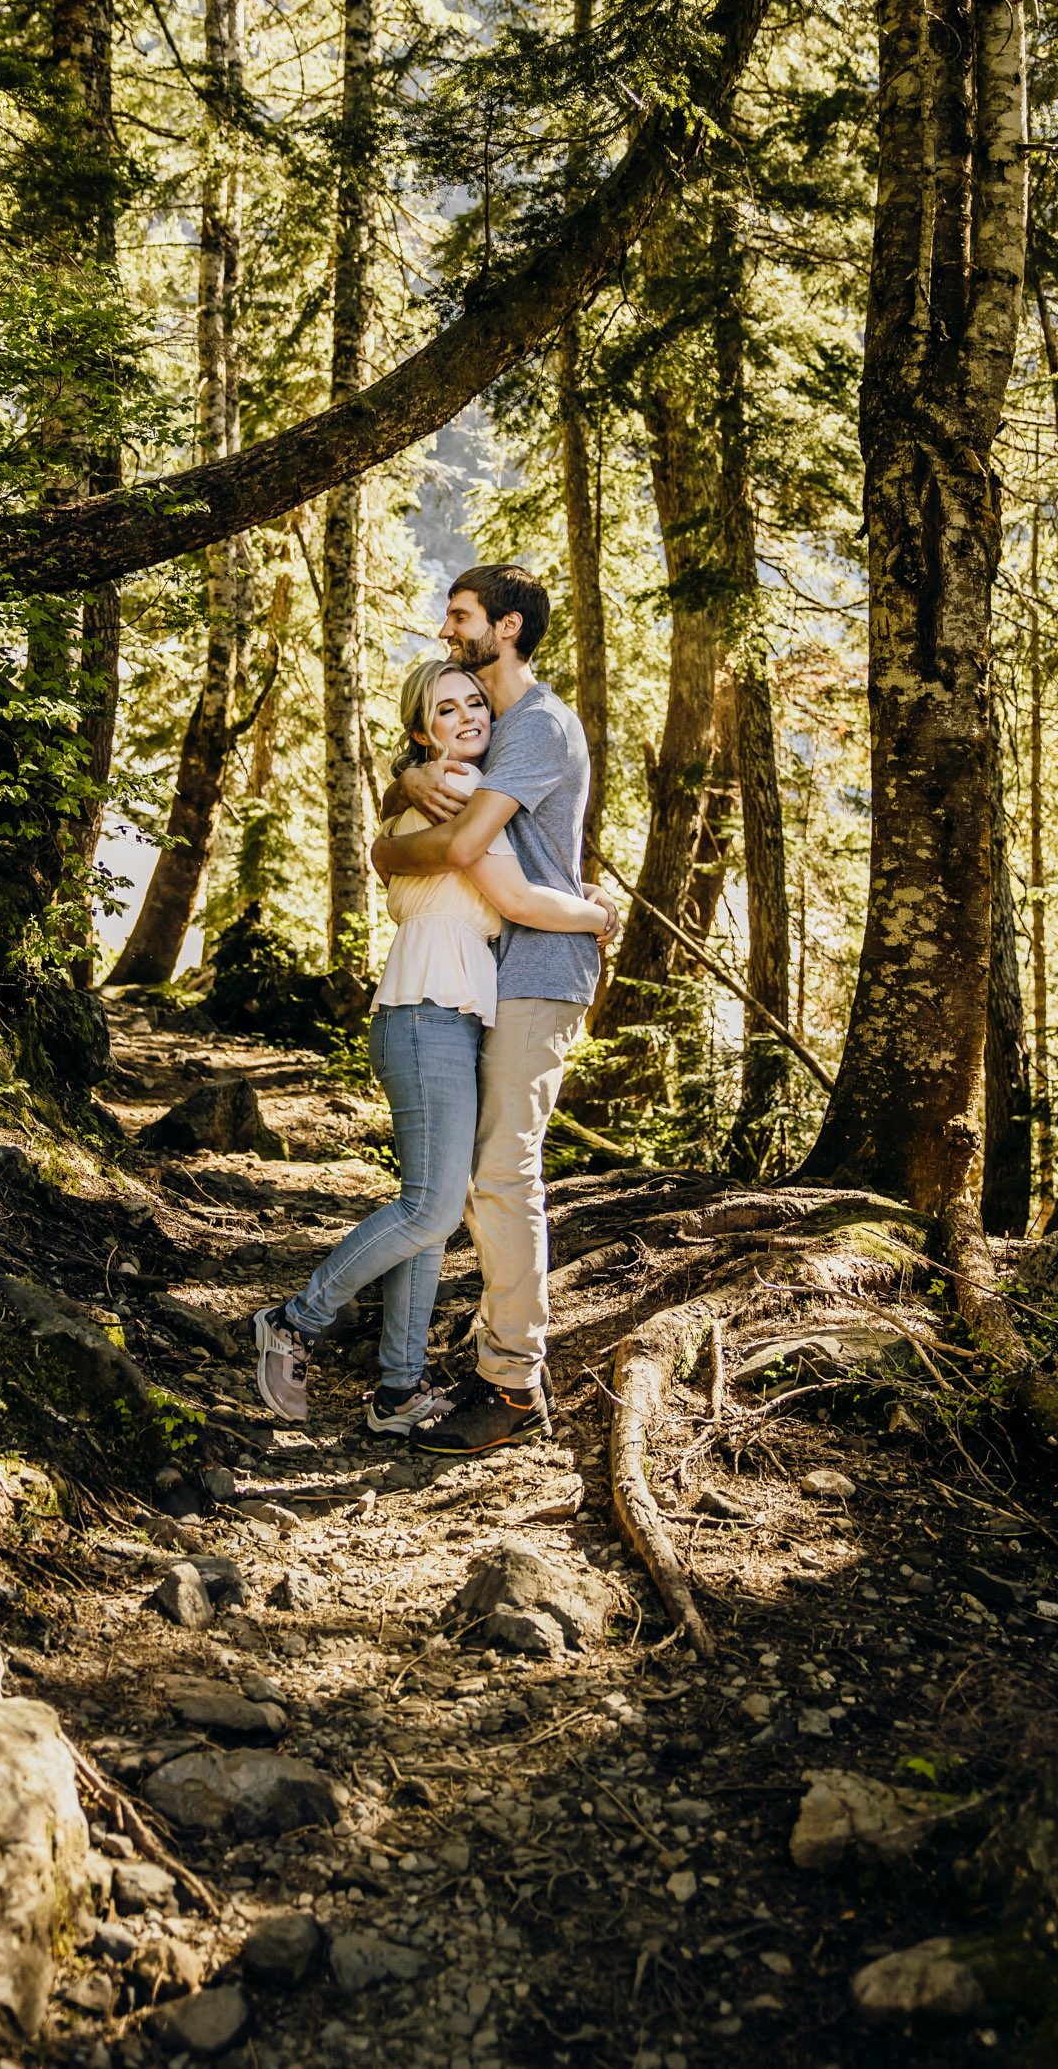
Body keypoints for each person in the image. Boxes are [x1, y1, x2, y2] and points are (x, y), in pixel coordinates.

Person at [253, 656, 614, 1433]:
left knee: (433, 1205)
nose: (469, 716)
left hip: (443, 1012)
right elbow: (514, 897)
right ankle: (295, 1321)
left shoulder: (450, 794)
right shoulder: (449, 794)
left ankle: (398, 1390)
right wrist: (596, 915)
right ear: (423, 731)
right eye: (446, 710)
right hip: (425, 1012)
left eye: (475, 703)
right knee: (431, 1206)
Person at [372, 564, 617, 1459]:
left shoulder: (540, 725)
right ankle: (479, 1352)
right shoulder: (494, 723)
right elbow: (430, 801)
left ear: (506, 628)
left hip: (538, 965)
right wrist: (396, 802)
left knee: (501, 1176)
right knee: (470, 1177)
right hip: (488, 971)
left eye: (462, 616)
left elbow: (474, 848)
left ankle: (510, 1383)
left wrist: (386, 848)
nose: (449, 629)